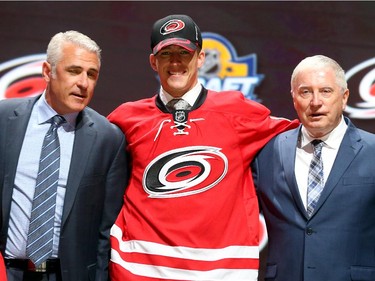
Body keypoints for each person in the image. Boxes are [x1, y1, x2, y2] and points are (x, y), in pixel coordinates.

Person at [107, 14, 299, 281]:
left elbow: (303, 134)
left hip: (220, 272)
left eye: (184, 53)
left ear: (200, 58)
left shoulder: (237, 111)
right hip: (138, 269)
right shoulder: (125, 118)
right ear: (153, 61)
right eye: (166, 54)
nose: (175, 62)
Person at [0, 30, 128, 281]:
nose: (84, 83)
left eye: (91, 75)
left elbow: (106, 231)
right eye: (74, 71)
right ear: (48, 71)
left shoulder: (108, 139)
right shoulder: (4, 119)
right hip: (5, 272)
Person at [252, 55, 375, 281]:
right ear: (294, 98)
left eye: (326, 91)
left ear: (344, 97)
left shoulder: (372, 152)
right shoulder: (267, 152)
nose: (315, 101)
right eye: (305, 92)